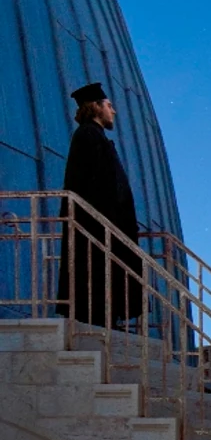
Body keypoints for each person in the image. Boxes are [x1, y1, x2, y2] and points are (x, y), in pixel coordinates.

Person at [56, 82, 143, 328]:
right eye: (109, 105)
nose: (113, 111)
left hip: (104, 227)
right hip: (97, 228)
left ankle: (104, 316)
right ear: (95, 106)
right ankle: (98, 316)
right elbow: (93, 186)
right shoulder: (87, 136)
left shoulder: (94, 136)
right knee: (96, 275)